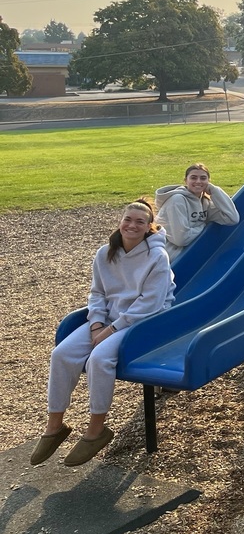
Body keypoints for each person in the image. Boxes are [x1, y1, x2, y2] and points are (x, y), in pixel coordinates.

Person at [31, 199, 175, 467]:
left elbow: (151, 302)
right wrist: (97, 323)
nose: (132, 225)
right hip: (107, 319)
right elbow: (97, 294)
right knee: (61, 354)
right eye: (127, 219)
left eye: (139, 222)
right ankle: (55, 426)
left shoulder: (157, 256)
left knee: (99, 359)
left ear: (149, 227)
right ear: (120, 222)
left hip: (142, 321)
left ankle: (96, 430)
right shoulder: (105, 253)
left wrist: (112, 329)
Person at [155, 163, 240, 262]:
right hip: (170, 256)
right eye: (193, 178)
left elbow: (232, 219)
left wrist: (214, 190)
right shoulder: (177, 200)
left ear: (208, 182)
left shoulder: (205, 202)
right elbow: (181, 239)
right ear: (186, 180)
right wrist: (203, 226)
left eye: (203, 178)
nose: (198, 181)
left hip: (192, 251)